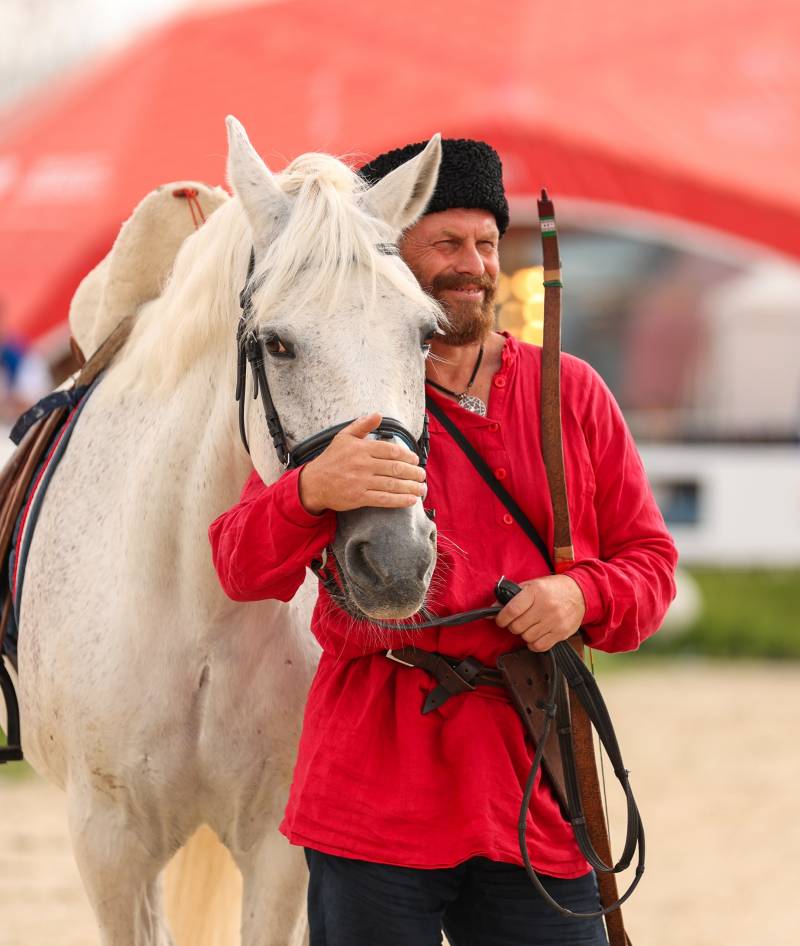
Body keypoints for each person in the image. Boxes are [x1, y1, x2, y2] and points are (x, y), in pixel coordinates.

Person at [209, 139, 678, 946]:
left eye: (487, 243)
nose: (475, 265)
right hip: (371, 792)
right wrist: (310, 491)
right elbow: (240, 565)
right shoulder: (345, 388)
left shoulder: (573, 392)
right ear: (396, 254)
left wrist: (581, 595)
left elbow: (651, 569)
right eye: (448, 243)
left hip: (534, 784)